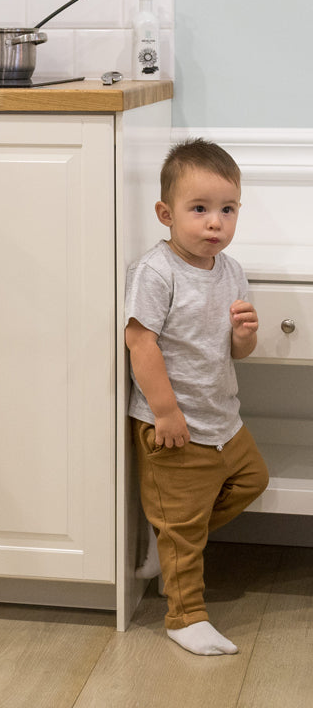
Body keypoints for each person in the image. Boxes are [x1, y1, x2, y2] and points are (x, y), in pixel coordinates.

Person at [125, 138, 268, 657]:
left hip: (222, 419)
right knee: (183, 531)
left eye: (227, 210)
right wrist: (165, 411)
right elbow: (139, 342)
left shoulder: (230, 270)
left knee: (253, 479)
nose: (215, 223)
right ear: (166, 214)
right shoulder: (156, 271)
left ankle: (172, 544)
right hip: (175, 426)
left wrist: (246, 334)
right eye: (200, 210)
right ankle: (184, 616)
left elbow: (237, 351)